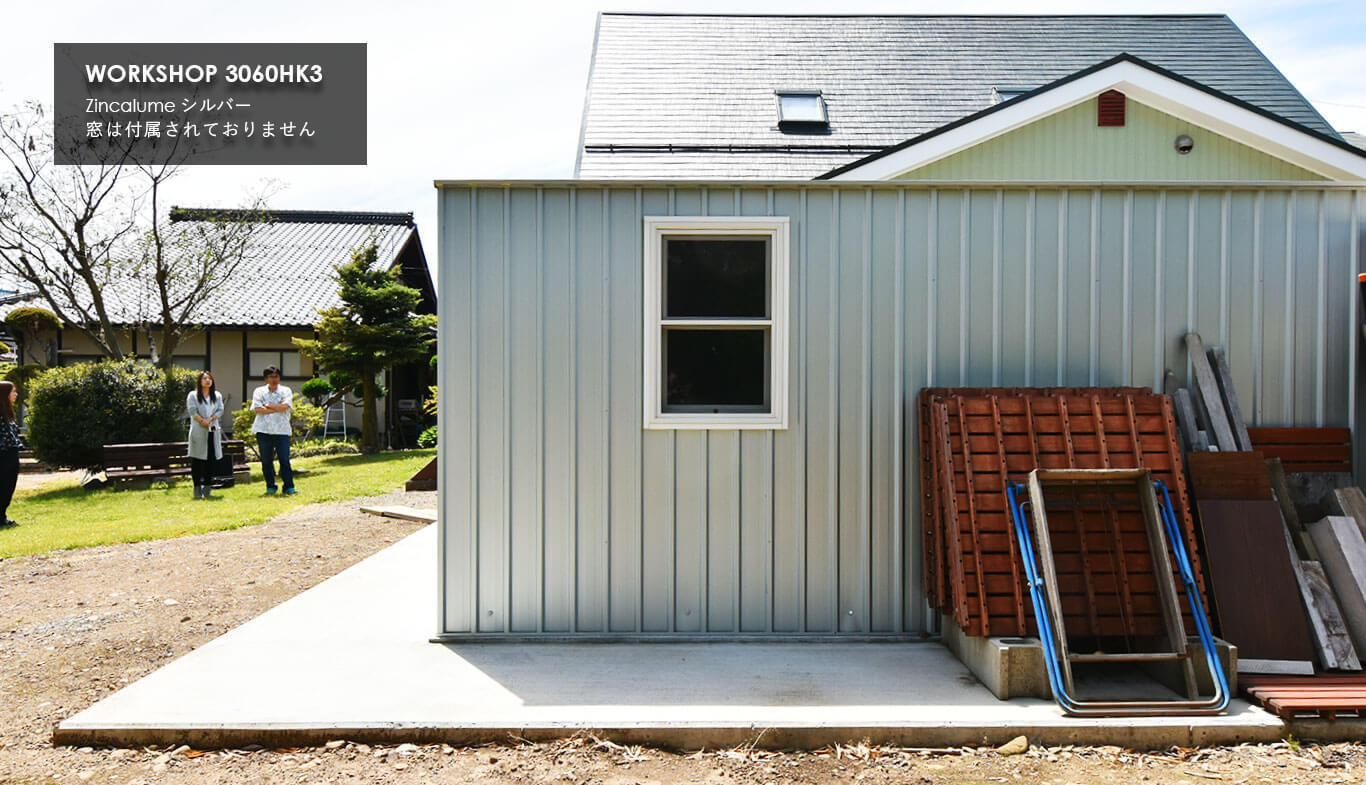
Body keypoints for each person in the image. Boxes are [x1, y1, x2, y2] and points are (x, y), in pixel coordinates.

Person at [251, 365, 296, 495]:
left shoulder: (286, 390)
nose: (274, 379)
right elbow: (257, 409)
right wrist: (278, 407)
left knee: (284, 459)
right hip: (263, 430)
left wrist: (269, 406)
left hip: (281, 430)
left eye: (276, 376)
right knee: (266, 461)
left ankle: (289, 486)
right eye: (271, 377)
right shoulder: (259, 391)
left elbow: (286, 406)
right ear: (266, 378)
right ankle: (270, 486)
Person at [186, 370, 224, 499]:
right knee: (198, 460)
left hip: (212, 430)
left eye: (209, 378)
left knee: (211, 459)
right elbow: (192, 411)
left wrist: (211, 419)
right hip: (198, 430)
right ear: (200, 381)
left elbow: (220, 409)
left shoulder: (217, 395)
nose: (207, 380)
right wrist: (203, 421)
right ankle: (197, 488)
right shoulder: (193, 395)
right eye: (204, 378)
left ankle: (207, 487)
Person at [0, 381, 20, 528]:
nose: (15, 394)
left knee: (8, 487)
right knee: (3, 486)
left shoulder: (8, 413)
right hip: (4, 454)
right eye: (13, 392)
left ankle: (2, 516)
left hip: (12, 453)